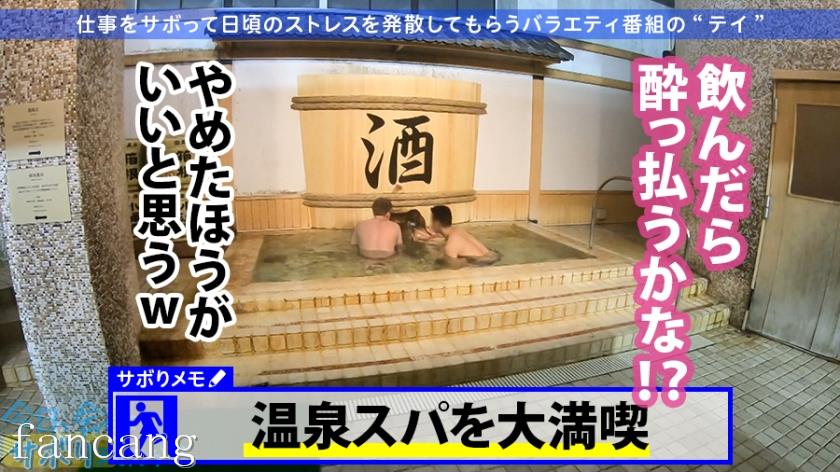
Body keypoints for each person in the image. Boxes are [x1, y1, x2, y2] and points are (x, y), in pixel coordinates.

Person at [429, 205, 500, 268]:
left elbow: (453, 267)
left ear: (437, 223)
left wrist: (437, 258)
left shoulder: (450, 245)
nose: (430, 224)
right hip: (493, 256)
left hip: (483, 265)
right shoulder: (458, 230)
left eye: (432, 221)